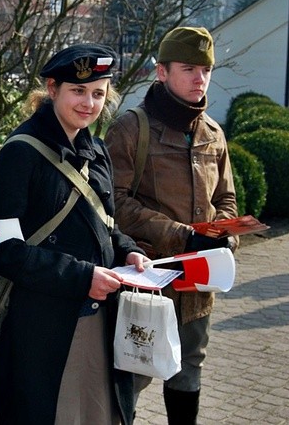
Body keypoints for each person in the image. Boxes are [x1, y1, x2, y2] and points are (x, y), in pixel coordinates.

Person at [0, 43, 149, 425]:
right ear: (52, 88)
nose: (88, 103)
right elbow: (3, 249)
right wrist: (80, 277)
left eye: (98, 93)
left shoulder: (96, 149)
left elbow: (107, 225)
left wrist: (128, 251)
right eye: (78, 91)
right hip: (41, 329)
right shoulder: (19, 153)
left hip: (100, 318)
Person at [105, 26, 238, 424]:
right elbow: (114, 203)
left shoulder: (213, 133)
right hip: (147, 279)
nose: (200, 79)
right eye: (189, 69)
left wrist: (226, 235)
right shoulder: (131, 129)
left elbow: (225, 200)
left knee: (188, 368)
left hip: (198, 281)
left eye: (206, 70)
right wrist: (182, 236)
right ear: (161, 72)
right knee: (134, 373)